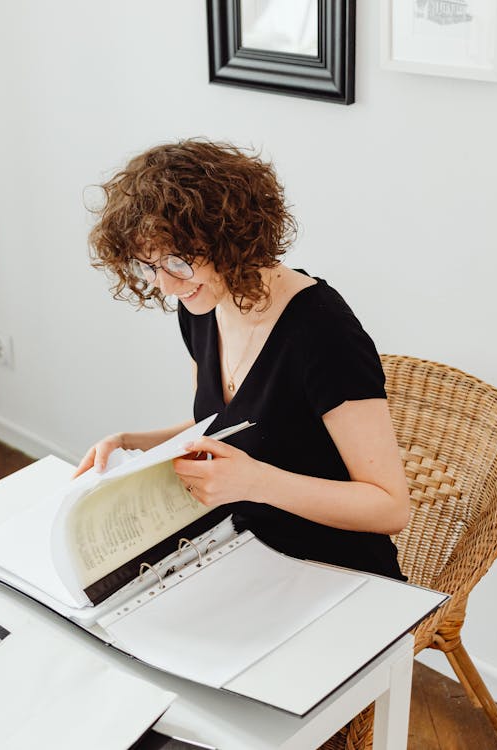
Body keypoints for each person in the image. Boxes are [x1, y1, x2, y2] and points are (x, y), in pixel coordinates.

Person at [75, 139, 410, 580]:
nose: (167, 285)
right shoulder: (202, 306)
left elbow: (390, 508)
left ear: (230, 238)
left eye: (177, 261)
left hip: (334, 570)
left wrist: (257, 482)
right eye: (149, 266)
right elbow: (227, 423)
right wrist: (132, 442)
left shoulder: (323, 331)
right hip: (242, 548)